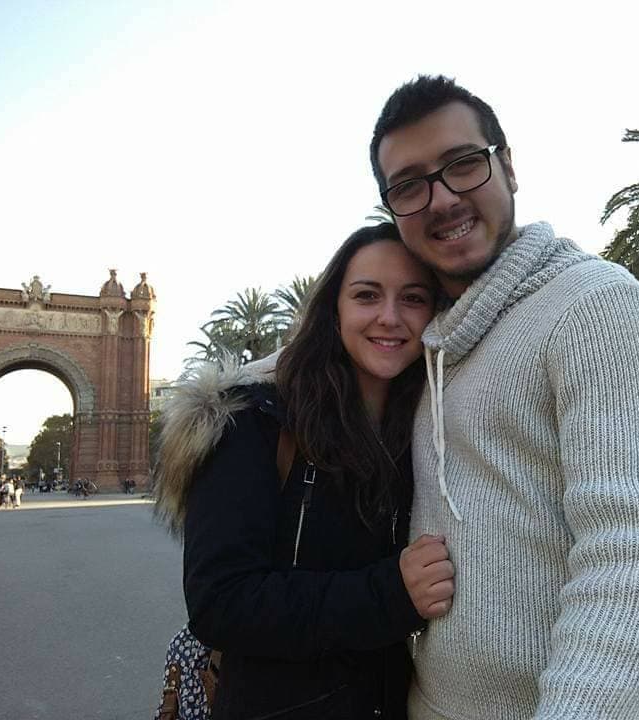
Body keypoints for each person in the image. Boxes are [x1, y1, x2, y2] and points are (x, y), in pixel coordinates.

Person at [369, 76, 639, 719]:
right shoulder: (432, 341)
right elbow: (334, 345)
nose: (441, 199)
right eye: (409, 185)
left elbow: (633, 562)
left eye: (462, 164)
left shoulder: (596, 306)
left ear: (508, 167)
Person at [153, 223, 453, 719]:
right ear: (333, 311)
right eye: (366, 295)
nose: (390, 317)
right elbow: (220, 602)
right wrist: (392, 593)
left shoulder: (430, 427)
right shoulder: (255, 423)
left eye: (414, 298)